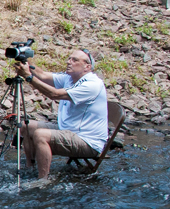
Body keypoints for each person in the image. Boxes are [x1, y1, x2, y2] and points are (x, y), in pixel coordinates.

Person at [15, 49, 109, 179]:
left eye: (74, 60)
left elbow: (54, 94)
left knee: (40, 135)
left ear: (87, 66)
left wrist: (29, 77)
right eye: (69, 59)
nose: (69, 62)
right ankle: (30, 168)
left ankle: (42, 180)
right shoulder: (70, 78)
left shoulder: (91, 84)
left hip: (87, 140)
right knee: (26, 126)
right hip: (69, 130)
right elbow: (41, 74)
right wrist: (24, 60)